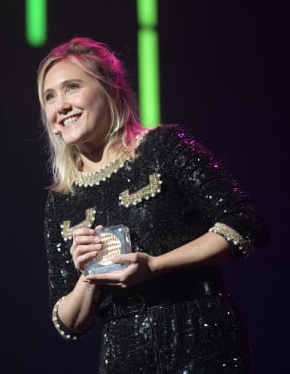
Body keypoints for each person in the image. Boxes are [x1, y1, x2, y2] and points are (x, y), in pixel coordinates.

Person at [37, 37, 269, 373]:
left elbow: (245, 224)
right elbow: (67, 323)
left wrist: (156, 266)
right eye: (49, 96)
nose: (61, 106)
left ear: (110, 88)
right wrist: (87, 278)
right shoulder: (61, 200)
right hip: (124, 353)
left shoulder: (164, 147)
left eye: (72, 87)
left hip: (199, 337)